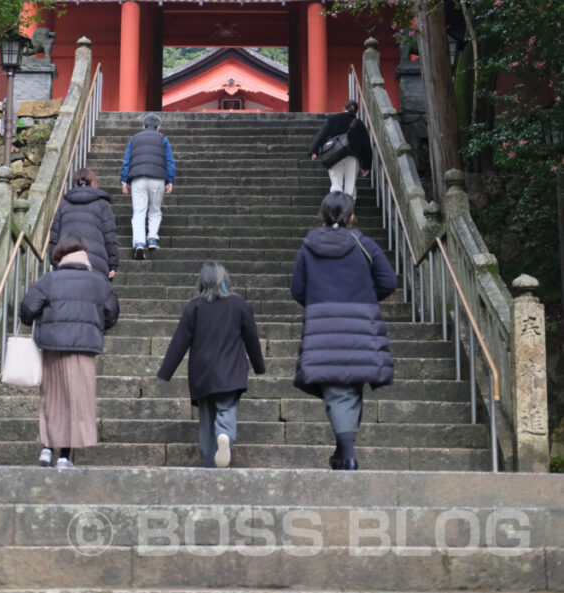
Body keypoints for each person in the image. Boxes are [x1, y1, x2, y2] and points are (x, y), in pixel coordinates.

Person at [290, 191, 396, 470]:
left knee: (340, 389)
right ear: (351, 217)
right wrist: (364, 300)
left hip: (323, 327)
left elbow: (297, 289)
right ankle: (345, 452)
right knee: (349, 387)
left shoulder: (308, 246)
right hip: (362, 326)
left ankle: (346, 455)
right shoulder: (365, 245)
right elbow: (388, 281)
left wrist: (319, 304)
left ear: (323, 216)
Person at [20, 234, 119, 468]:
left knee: (52, 398)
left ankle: (46, 449)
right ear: (84, 256)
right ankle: (65, 456)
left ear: (59, 257)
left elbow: (27, 310)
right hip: (84, 348)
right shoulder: (99, 281)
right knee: (77, 399)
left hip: (52, 346)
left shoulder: (49, 279)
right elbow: (112, 314)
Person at [157, 261, 266, 468]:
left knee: (206, 418)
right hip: (231, 371)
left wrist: (165, 372)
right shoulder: (239, 305)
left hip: (202, 372)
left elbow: (179, 341)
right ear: (224, 280)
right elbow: (252, 339)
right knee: (226, 409)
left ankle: (210, 461)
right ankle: (224, 433)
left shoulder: (195, 307)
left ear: (202, 282)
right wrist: (258, 366)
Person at [121, 112, 176, 259]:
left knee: (139, 212)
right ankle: (152, 239)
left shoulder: (134, 139)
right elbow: (169, 161)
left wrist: (124, 180)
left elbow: (127, 160)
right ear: (158, 127)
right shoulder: (163, 139)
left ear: (143, 126)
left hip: (138, 178)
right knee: (155, 210)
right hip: (158, 178)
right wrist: (170, 180)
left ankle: (139, 243)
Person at [49, 167, 118, 278]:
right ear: (93, 182)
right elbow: (109, 235)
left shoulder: (64, 204)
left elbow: (54, 235)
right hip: (96, 262)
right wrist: (113, 263)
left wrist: (54, 261)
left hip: (67, 260)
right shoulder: (102, 204)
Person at [309, 100, 372, 200]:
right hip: (352, 157)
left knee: (336, 185)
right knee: (350, 187)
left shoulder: (333, 119)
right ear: (355, 111)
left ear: (343, 108)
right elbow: (366, 145)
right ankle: (347, 212)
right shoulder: (359, 124)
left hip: (335, 155)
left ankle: (336, 211)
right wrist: (366, 166)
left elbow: (321, 135)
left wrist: (314, 150)